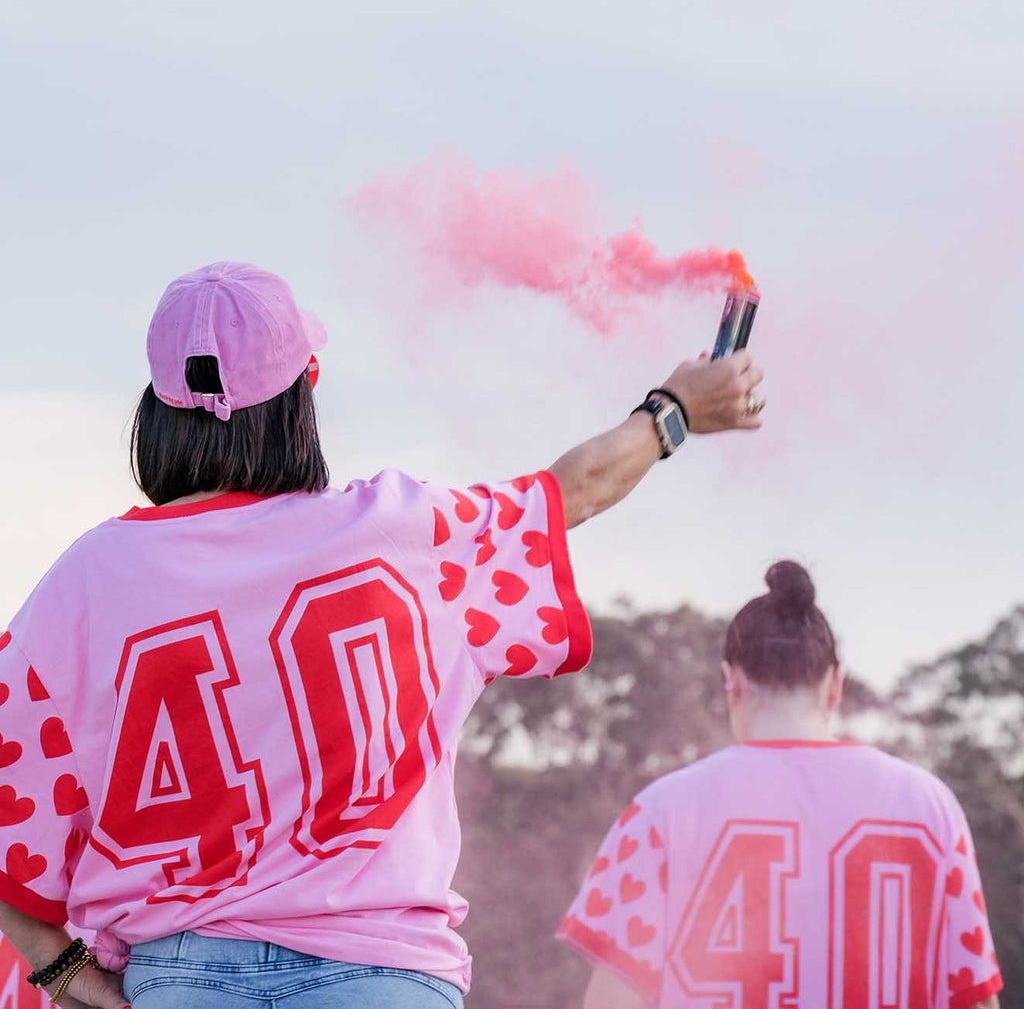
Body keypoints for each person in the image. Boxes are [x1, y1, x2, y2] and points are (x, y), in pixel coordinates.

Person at [0, 260, 764, 1008]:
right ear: (303, 392)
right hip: (383, 978)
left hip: (180, 980)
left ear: (157, 408)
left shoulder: (85, 582)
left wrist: (63, 971)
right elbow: (577, 490)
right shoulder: (395, 537)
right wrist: (674, 412)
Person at [558, 561, 1002, 1009]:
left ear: (731, 682)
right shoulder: (929, 806)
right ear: (835, 685)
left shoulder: (658, 812)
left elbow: (614, 1001)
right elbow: (975, 998)